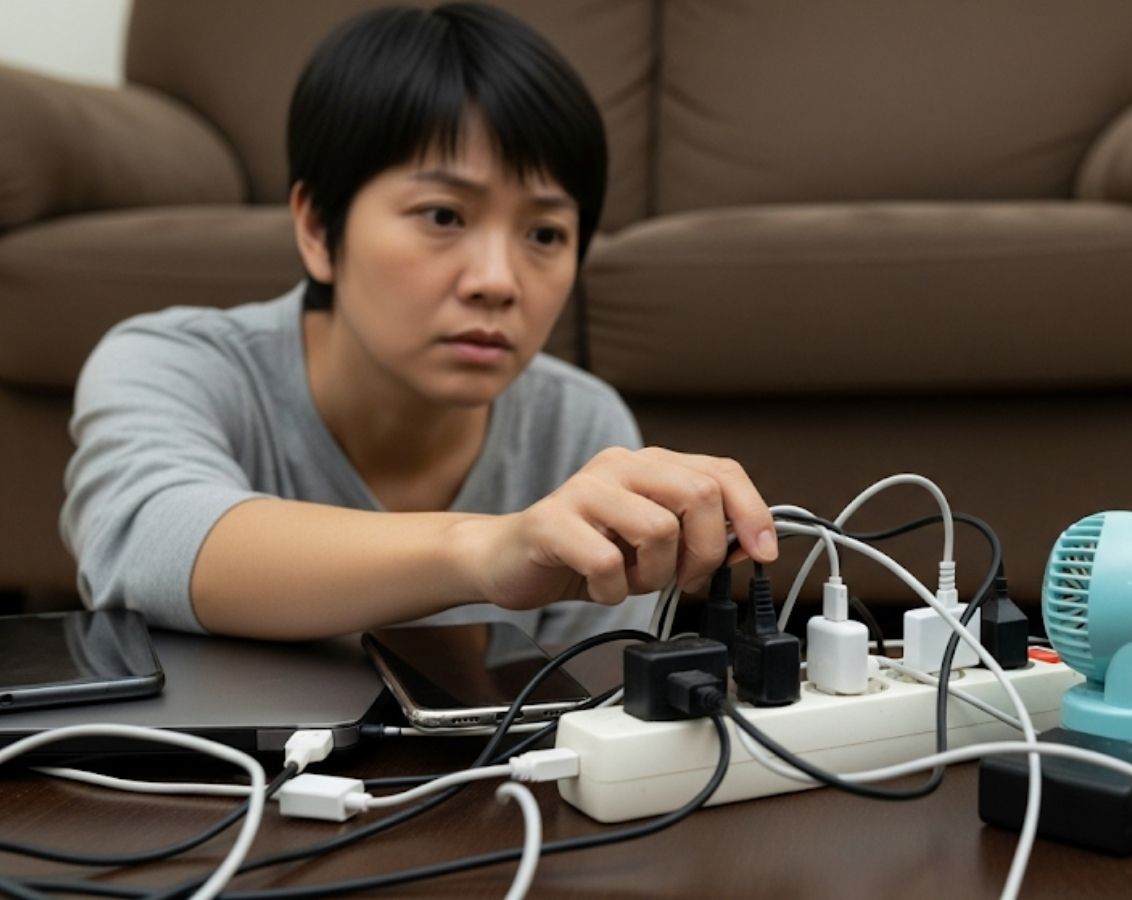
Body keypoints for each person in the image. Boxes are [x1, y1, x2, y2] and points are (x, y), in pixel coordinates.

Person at [59, 3, 777, 643]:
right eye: (443, 216)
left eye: (545, 234)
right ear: (317, 228)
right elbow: (147, 545)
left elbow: (589, 700)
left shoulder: (579, 427)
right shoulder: (173, 364)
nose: (497, 281)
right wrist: (486, 550)